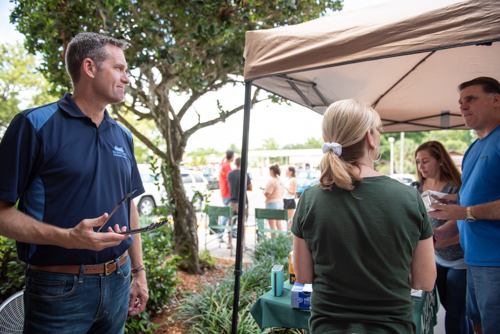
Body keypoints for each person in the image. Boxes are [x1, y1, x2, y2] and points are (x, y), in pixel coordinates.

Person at [0, 32, 148, 333]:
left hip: (118, 281)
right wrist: (68, 237)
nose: (127, 78)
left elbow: (129, 205)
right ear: (90, 68)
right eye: (119, 69)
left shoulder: (124, 136)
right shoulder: (34, 125)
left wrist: (138, 272)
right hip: (57, 289)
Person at [292, 99, 436, 334]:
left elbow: (304, 275)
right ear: (370, 137)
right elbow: (424, 281)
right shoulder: (409, 197)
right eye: (378, 130)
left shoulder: (309, 199)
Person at [429, 77, 500, 334]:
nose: (462, 107)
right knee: (475, 322)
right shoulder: (473, 148)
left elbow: (469, 211)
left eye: (470, 99)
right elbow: (473, 202)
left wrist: (463, 211)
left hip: (496, 262)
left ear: (496, 100)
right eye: (460, 102)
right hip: (473, 259)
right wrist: (437, 234)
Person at [415, 141, 472, 333]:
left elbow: (462, 227)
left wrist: (434, 244)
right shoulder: (418, 188)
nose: (420, 166)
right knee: (444, 308)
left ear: (440, 161)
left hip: (459, 261)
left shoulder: (454, 189)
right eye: (417, 162)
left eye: (425, 161)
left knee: (455, 313)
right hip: (435, 260)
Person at [227, 157, 252, 250]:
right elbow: (250, 187)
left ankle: (229, 243)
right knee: (242, 224)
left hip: (232, 202)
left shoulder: (230, 174)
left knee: (231, 224)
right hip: (242, 202)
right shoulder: (245, 174)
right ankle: (242, 243)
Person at [218, 149, 234, 241]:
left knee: (227, 214)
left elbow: (221, 162)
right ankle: (220, 235)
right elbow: (230, 180)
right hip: (228, 193)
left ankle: (223, 234)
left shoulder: (222, 165)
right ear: (231, 157)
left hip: (223, 193)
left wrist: (224, 157)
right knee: (227, 215)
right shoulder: (227, 167)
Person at [263, 164, 285, 231]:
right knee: (279, 223)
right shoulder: (281, 182)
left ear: (272, 171)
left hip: (272, 203)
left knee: (272, 225)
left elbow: (267, 193)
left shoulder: (272, 181)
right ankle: (281, 239)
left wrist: (264, 191)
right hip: (280, 203)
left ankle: (273, 239)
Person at [283, 166, 297, 230]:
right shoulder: (287, 179)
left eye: (287, 171)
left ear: (291, 172)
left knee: (289, 219)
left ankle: (289, 232)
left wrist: (285, 187)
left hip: (290, 201)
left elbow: (293, 192)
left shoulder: (293, 180)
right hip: (285, 200)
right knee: (286, 218)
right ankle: (288, 231)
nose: (286, 172)